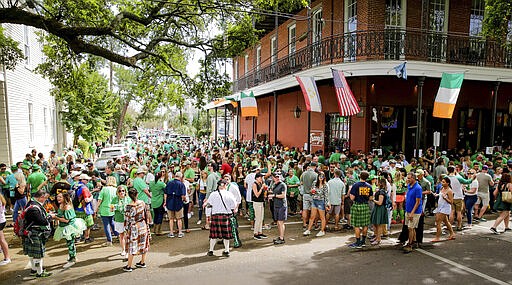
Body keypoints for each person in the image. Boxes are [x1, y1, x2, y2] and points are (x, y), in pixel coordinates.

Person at [51, 192, 87, 268]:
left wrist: (55, 217)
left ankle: (72, 258)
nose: (58, 198)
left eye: (60, 197)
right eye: (57, 197)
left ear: (64, 198)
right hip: (64, 226)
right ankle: (72, 256)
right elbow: (61, 215)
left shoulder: (67, 207)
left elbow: (66, 220)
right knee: (69, 242)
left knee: (70, 242)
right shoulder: (61, 205)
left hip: (69, 226)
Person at [22, 190, 53, 277]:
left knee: (32, 254)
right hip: (35, 233)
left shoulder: (30, 203)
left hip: (30, 233)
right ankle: (39, 272)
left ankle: (33, 270)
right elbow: (42, 222)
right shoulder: (34, 208)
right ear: (41, 197)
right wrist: (50, 217)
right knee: (37, 255)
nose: (46, 200)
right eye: (45, 198)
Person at [123, 188, 150, 272]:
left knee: (132, 246)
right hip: (143, 225)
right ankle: (142, 262)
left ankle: (129, 266)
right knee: (143, 243)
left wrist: (126, 230)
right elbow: (146, 213)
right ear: (137, 194)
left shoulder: (129, 207)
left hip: (134, 227)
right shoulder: (142, 203)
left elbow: (127, 220)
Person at [348, 171, 373, 249]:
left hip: (357, 206)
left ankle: (358, 242)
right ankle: (363, 241)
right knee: (365, 225)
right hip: (365, 206)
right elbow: (371, 198)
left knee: (357, 225)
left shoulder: (356, 185)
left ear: (360, 176)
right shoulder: (369, 186)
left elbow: (352, 198)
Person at [303, 172, 329, 237]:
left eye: (322, 176)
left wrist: (326, 205)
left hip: (321, 201)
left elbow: (326, 196)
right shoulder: (314, 183)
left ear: (324, 177)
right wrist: (311, 192)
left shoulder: (325, 185)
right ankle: (308, 230)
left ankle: (322, 230)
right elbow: (311, 193)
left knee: (322, 217)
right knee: (312, 216)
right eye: (320, 176)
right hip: (314, 201)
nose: (321, 177)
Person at [403, 172, 423, 253]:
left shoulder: (418, 188)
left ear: (413, 178)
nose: (407, 179)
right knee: (411, 227)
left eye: (409, 178)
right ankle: (414, 241)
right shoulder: (409, 186)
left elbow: (418, 202)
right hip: (408, 209)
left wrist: (412, 212)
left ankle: (410, 244)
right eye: (407, 178)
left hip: (414, 211)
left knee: (410, 228)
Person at [431, 177, 455, 242]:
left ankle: (437, 237)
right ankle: (452, 234)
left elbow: (451, 202)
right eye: (442, 182)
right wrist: (436, 195)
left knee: (438, 221)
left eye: (444, 182)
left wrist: (445, 198)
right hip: (440, 206)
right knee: (446, 222)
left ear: (448, 183)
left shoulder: (449, 191)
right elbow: (440, 195)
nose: (442, 183)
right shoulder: (442, 188)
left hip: (445, 208)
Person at [95, 176, 118, 246]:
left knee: (106, 225)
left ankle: (109, 240)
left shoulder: (104, 189)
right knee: (112, 223)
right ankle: (118, 235)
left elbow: (99, 200)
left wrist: (96, 209)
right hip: (113, 208)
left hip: (104, 209)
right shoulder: (115, 189)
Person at [163, 172, 186, 238]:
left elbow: (165, 193)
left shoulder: (169, 183)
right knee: (179, 219)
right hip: (178, 203)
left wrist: (165, 201)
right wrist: (184, 200)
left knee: (171, 219)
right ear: (180, 177)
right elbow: (183, 195)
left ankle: (171, 232)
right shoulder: (181, 184)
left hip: (169, 202)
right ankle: (180, 232)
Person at [370, 178, 389, 246]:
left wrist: (373, 200)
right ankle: (376, 237)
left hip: (380, 208)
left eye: (377, 181)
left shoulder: (381, 192)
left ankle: (378, 239)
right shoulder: (380, 190)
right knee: (376, 223)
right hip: (378, 208)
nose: (376, 181)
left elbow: (380, 203)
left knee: (379, 224)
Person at [269, 172, 287, 244]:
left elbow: (283, 195)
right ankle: (280, 236)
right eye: (276, 177)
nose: (277, 178)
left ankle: (282, 238)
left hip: (281, 205)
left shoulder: (282, 185)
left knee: (280, 222)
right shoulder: (275, 184)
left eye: (278, 177)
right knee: (278, 222)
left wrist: (274, 195)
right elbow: (273, 192)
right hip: (276, 205)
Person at [112, 186, 130, 257]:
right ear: (117, 192)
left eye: (123, 191)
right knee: (121, 235)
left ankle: (127, 250)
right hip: (119, 219)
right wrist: (115, 207)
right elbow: (111, 209)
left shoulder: (128, 199)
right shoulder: (115, 199)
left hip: (127, 219)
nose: (121, 192)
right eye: (119, 191)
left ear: (125, 192)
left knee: (127, 235)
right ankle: (123, 250)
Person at [300, 162, 318, 230]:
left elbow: (301, 182)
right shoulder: (315, 175)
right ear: (315, 167)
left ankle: (304, 224)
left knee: (305, 209)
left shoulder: (303, 174)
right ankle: (315, 224)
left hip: (305, 193)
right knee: (314, 210)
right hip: (313, 194)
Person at [149, 172, 166, 236]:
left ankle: (154, 229)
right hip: (159, 200)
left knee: (155, 215)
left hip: (153, 200)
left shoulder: (151, 183)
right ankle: (158, 230)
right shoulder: (161, 184)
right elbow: (166, 188)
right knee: (160, 215)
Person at [252, 173, 267, 240]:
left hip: (261, 202)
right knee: (258, 218)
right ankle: (255, 233)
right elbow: (256, 195)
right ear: (256, 178)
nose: (261, 178)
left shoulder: (260, 184)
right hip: (256, 202)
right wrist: (261, 188)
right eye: (260, 177)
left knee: (261, 218)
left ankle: (260, 232)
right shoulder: (254, 184)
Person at [0, 192, 11, 266]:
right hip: (2, 220)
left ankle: (7, 258)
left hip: (0, 221)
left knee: (2, 239)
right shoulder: (1, 197)